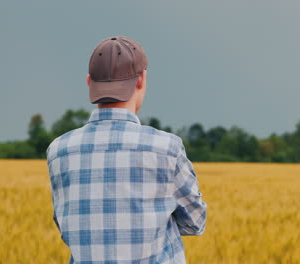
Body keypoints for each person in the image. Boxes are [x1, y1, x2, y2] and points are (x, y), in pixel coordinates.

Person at [46, 36, 207, 263]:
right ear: (141, 79)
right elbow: (195, 222)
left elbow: (67, 226)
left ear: (89, 82)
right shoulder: (166, 148)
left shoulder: (58, 150)